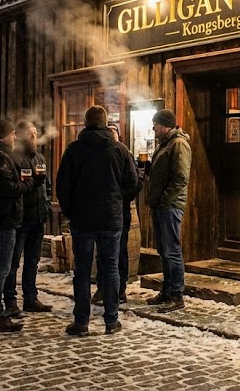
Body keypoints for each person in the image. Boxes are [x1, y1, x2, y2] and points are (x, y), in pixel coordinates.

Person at [57, 106, 139, 336]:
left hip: (82, 220)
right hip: (111, 219)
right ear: (105, 123)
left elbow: (63, 186)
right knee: (111, 268)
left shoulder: (74, 150)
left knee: (82, 271)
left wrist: (71, 211)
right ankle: (111, 320)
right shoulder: (119, 150)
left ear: (85, 122)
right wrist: (117, 202)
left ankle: (82, 322)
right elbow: (132, 183)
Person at [0, 118, 38, 333]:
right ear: (4, 136)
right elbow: (7, 188)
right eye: (12, 134)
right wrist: (26, 184)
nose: (14, 138)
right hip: (2, 220)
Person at [4, 120, 54, 315]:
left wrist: (47, 204)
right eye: (31, 133)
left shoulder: (40, 157)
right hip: (20, 218)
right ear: (21, 135)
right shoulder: (14, 158)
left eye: (35, 132)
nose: (35, 137)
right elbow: (14, 188)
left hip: (38, 216)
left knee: (33, 260)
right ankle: (10, 301)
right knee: (14, 261)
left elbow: (46, 186)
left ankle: (30, 298)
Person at [144, 108, 191, 313]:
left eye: (156, 124)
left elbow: (181, 177)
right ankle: (167, 290)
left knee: (171, 250)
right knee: (163, 250)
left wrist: (164, 199)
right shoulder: (166, 143)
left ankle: (176, 294)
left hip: (170, 205)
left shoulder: (179, 144)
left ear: (165, 126)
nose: (153, 127)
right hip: (161, 204)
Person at [92, 124, 144, 306]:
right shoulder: (99, 154)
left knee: (119, 251)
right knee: (101, 253)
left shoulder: (124, 154)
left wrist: (121, 198)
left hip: (120, 212)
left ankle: (119, 290)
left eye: (112, 133)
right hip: (100, 212)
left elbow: (137, 182)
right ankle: (101, 287)